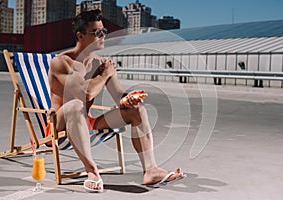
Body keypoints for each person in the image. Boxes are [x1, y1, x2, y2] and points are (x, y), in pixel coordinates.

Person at [48, 9, 184, 192]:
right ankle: (92, 171)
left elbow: (119, 96)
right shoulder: (62, 62)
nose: (103, 35)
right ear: (80, 35)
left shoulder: (100, 64)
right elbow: (85, 94)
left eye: (104, 31)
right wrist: (105, 74)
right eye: (97, 32)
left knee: (138, 111)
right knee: (76, 105)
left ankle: (151, 170)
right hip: (59, 124)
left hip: (85, 121)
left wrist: (129, 99)